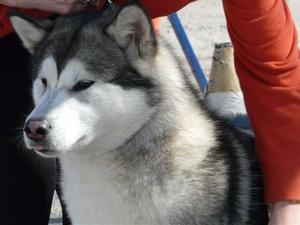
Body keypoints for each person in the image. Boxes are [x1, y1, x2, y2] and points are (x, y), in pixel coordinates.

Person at [0, 0, 299, 224]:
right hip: (25, 27)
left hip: (118, 33)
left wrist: (288, 202)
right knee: (17, 193)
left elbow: (275, 71)